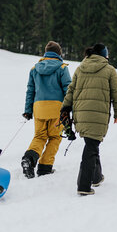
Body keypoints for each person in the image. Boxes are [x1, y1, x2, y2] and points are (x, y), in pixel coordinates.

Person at [61, 43, 117, 196]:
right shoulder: (109, 70)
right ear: (104, 55)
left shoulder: (80, 68)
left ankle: (96, 177)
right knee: (91, 147)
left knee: (92, 143)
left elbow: (71, 90)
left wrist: (65, 108)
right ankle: (83, 185)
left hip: (81, 114)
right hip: (97, 114)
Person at [22, 41, 72, 178]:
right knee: (55, 137)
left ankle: (29, 158)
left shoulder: (34, 69)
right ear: (59, 53)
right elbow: (68, 89)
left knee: (39, 136)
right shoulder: (62, 68)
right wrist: (69, 108)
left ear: (46, 53)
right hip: (57, 109)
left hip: (38, 108)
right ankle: (45, 167)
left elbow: (30, 91)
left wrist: (28, 110)